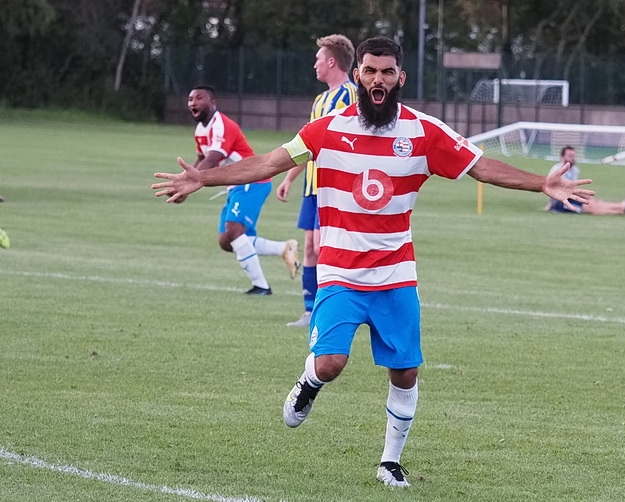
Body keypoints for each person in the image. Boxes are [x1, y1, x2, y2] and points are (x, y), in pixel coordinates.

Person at [154, 37, 595, 487]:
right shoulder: (326, 129)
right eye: (370, 71)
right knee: (330, 364)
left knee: (405, 371)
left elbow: (481, 167)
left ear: (400, 78)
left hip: (396, 275)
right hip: (341, 274)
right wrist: (203, 177)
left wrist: (542, 183)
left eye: (387, 72)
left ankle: (389, 462)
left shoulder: (424, 132)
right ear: (358, 76)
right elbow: (267, 163)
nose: (378, 79)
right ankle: (309, 382)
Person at [187, 85, 300, 295]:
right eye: (190, 99)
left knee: (234, 231)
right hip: (236, 184)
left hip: (252, 180)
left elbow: (212, 158)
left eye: (199, 98)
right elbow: (202, 158)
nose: (193, 102)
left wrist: (187, 184)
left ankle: (261, 287)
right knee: (226, 240)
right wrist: (187, 179)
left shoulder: (221, 125)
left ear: (212, 101)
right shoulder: (200, 130)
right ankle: (284, 248)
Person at [277, 34, 358, 327]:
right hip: (312, 186)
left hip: (334, 187)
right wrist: (289, 177)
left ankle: (331, 311)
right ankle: (310, 311)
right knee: (310, 246)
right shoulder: (321, 99)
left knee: (325, 246)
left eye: (318, 59)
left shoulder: (350, 94)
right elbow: (307, 144)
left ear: (332, 62)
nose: (315, 64)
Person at [546, 146, 625, 215]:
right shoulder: (557, 170)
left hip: (570, 197)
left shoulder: (575, 170)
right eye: (570, 156)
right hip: (559, 202)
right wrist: (586, 196)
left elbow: (573, 189)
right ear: (562, 157)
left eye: (574, 156)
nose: (573, 158)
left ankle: (622, 207)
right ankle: (622, 209)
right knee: (589, 207)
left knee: (592, 203)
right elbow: (564, 189)